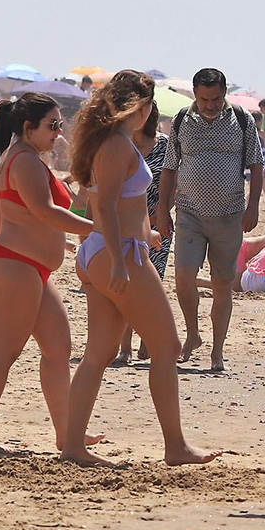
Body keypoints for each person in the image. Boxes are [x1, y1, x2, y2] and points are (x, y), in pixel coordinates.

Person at [64, 71, 220, 467]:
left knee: (98, 352)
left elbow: (115, 204)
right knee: (166, 346)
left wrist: (146, 234)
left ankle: (73, 445)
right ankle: (176, 446)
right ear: (140, 106)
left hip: (104, 250)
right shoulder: (117, 145)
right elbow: (106, 206)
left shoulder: (110, 142)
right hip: (119, 253)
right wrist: (121, 257)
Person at [0, 93, 99, 453]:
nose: (59, 130)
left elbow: (7, 214)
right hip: (17, 266)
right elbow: (46, 211)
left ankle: (67, 434)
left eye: (60, 124)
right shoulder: (23, 160)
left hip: (27, 267)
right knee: (2, 353)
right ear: (28, 127)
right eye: (52, 125)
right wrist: (99, 231)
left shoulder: (31, 160)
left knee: (58, 349)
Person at [157, 68, 265, 372]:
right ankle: (193, 333)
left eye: (215, 98)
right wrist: (162, 209)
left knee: (222, 283)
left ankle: (217, 352)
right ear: (194, 93)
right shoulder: (181, 119)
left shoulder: (241, 119)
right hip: (189, 213)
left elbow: (256, 165)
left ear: (224, 94)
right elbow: (169, 167)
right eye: (204, 98)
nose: (209, 104)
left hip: (230, 216)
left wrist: (253, 206)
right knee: (183, 277)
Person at [116, 102, 170, 365]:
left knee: (152, 284)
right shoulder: (121, 144)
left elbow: (173, 184)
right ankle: (124, 346)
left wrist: (160, 214)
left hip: (159, 223)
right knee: (130, 285)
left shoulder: (165, 145)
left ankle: (146, 340)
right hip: (127, 222)